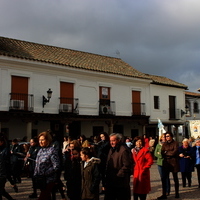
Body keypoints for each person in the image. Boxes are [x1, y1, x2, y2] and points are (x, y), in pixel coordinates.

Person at [104, 133, 132, 200]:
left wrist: (118, 175)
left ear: (118, 140)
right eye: (110, 141)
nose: (112, 143)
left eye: (113, 141)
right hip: (111, 181)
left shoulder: (124, 150)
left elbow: (127, 165)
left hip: (120, 182)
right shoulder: (111, 150)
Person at [34, 131, 60, 200]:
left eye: (42, 140)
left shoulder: (52, 150)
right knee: (47, 197)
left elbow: (56, 165)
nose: (40, 142)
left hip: (49, 179)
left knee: (43, 197)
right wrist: (36, 174)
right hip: (41, 179)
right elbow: (37, 164)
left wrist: (46, 173)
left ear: (48, 140)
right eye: (39, 140)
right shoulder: (40, 151)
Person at [157, 132, 180, 199]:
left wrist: (167, 152)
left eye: (168, 136)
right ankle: (164, 194)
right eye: (166, 136)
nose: (167, 137)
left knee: (175, 178)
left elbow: (174, 152)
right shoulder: (164, 144)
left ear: (171, 136)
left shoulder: (175, 143)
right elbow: (162, 152)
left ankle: (177, 193)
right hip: (166, 163)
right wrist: (168, 153)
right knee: (164, 179)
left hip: (174, 163)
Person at [132, 136, 153, 200]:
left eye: (140, 141)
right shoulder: (133, 151)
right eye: (137, 141)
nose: (139, 143)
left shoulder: (145, 150)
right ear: (135, 143)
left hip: (143, 172)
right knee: (135, 191)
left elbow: (150, 161)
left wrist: (145, 168)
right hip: (136, 172)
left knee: (142, 191)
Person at [0, 135, 16, 200]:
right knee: (2, 191)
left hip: (2, 173)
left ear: (2, 142)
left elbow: (6, 163)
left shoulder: (5, 150)